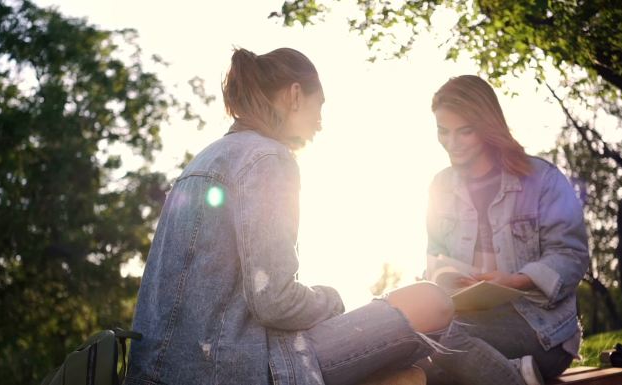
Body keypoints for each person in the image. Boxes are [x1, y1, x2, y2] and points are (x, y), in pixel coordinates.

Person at [124, 47, 454, 385]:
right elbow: (274, 301)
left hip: (164, 370)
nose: (320, 124)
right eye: (319, 107)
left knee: (407, 377)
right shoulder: (268, 157)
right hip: (232, 368)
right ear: (295, 95)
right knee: (432, 301)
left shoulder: (206, 160)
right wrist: (332, 301)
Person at [421, 75, 589, 385]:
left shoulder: (542, 179)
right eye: (443, 132)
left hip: (541, 328)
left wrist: (516, 280)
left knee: (438, 339)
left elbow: (571, 256)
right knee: (416, 345)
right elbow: (434, 256)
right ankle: (517, 374)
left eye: (465, 131)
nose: (452, 143)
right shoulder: (440, 187)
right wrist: (443, 278)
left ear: (486, 127)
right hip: (470, 325)